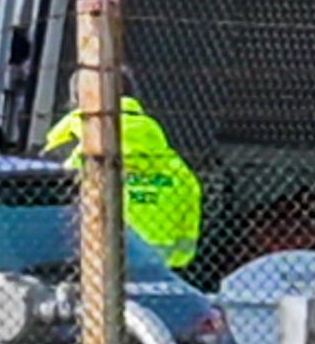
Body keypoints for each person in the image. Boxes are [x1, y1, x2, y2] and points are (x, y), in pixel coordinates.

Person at [41, 84, 204, 270]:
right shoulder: (171, 161)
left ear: (76, 101)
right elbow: (189, 224)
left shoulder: (68, 145)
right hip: (155, 271)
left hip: (82, 269)